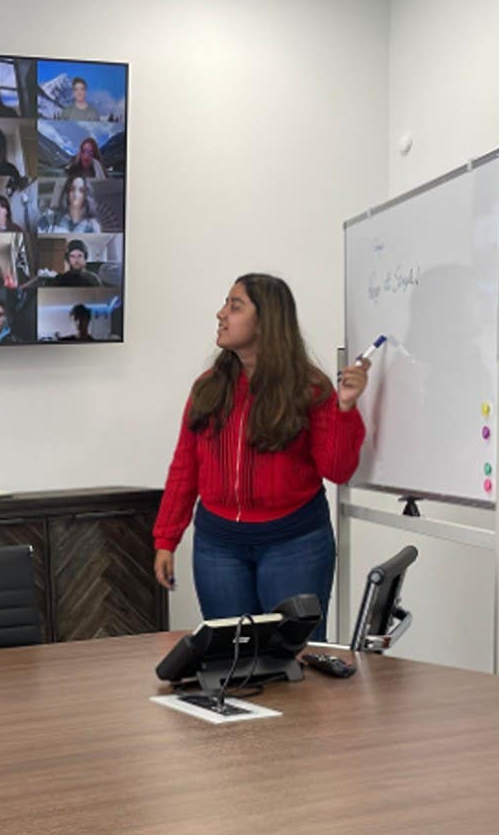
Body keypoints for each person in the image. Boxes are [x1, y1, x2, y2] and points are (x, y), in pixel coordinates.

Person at [152, 274, 369, 639]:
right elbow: (185, 467)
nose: (221, 314)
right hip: (218, 548)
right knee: (233, 664)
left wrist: (344, 409)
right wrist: (165, 538)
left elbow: (337, 469)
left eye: (235, 306)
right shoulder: (207, 388)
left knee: (296, 665)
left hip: (295, 544)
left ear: (266, 321)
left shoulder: (311, 388)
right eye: (226, 304)